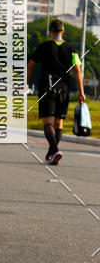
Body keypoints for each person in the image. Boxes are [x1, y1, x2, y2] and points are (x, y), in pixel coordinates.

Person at [26, 18, 85, 165]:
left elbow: (30, 66)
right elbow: (77, 70)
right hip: (64, 89)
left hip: (47, 87)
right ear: (63, 31)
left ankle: (55, 150)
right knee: (59, 124)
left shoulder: (43, 47)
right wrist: (81, 92)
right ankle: (52, 152)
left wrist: (25, 83)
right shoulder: (72, 49)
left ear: (50, 32)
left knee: (47, 122)